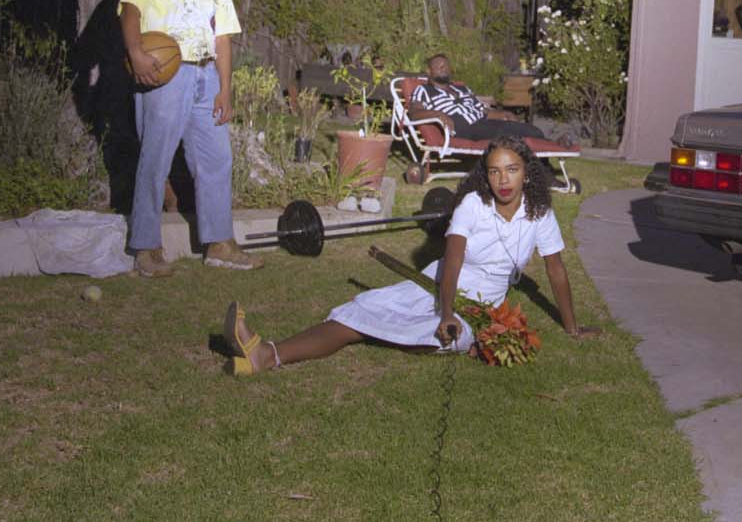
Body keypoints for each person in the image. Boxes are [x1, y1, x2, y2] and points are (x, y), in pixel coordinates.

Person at [221, 138, 595, 373]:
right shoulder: (471, 207)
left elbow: (556, 270)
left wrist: (572, 326)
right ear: (487, 176)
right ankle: (266, 354)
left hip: (482, 305)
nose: (503, 180)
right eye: (495, 171)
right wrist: (446, 311)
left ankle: (268, 356)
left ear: (527, 173)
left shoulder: (539, 213)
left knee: (445, 338)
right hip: (438, 283)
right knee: (360, 313)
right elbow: (452, 263)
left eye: (512, 170)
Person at [119, 0, 254, 277]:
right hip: (164, 73)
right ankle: (145, 247)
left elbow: (223, 38)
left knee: (216, 159)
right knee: (155, 158)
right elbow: (130, 10)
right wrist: (135, 51)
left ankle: (219, 243)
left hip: (206, 74)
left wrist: (224, 89)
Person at [410, 53, 556, 143]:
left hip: (482, 123)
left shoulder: (462, 88)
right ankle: (552, 145)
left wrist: (503, 114)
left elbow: (481, 110)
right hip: (464, 130)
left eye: (446, 66)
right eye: (439, 66)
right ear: (429, 71)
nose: (444, 69)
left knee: (526, 129)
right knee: (512, 134)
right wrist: (437, 114)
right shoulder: (424, 90)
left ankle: (549, 148)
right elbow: (414, 112)